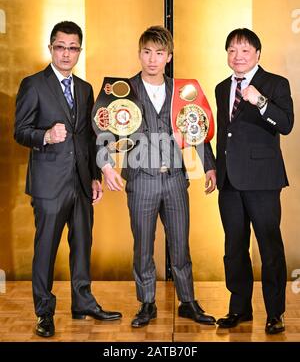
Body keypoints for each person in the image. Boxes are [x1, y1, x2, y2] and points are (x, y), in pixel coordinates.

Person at [97, 25, 217, 328]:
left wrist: (210, 166)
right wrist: (106, 165)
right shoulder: (122, 90)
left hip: (176, 178)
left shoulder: (183, 90)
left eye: (159, 53)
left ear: (169, 56)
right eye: (147, 52)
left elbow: (197, 128)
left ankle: (188, 301)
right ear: (139, 54)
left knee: (180, 244)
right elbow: (103, 128)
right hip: (140, 179)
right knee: (143, 246)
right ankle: (147, 303)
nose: (152, 59)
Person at [14, 21, 122, 338]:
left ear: (79, 51)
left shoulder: (86, 89)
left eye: (73, 47)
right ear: (51, 48)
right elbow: (19, 131)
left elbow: (88, 139)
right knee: (45, 249)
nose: (66, 53)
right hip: (48, 185)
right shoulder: (33, 84)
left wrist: (94, 177)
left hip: (80, 182)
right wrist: (45, 135)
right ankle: (44, 313)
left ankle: (83, 302)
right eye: (60, 46)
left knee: (82, 245)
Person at [215, 28, 294, 334]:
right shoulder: (223, 87)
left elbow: (286, 124)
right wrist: (214, 169)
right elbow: (225, 133)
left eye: (245, 50)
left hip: (262, 181)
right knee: (234, 247)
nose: (238, 56)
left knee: (269, 247)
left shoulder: (275, 83)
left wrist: (261, 102)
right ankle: (239, 308)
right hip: (229, 181)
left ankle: (275, 313)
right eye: (232, 50)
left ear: (258, 54)